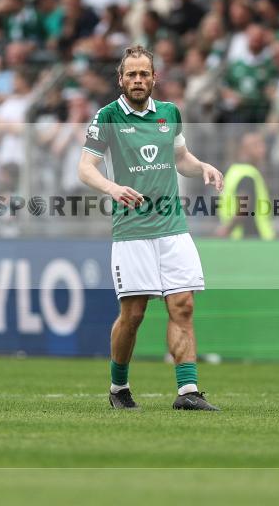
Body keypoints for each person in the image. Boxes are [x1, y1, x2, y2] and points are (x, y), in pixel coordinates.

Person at [77, 45, 224, 411]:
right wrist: (112, 188)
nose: (138, 80)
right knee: (134, 315)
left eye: (144, 74)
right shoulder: (107, 116)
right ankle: (118, 387)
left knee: (183, 305)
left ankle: (187, 391)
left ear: (154, 78)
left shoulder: (170, 113)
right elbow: (86, 167)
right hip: (132, 231)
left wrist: (202, 166)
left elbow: (180, 158)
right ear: (121, 79)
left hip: (173, 227)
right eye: (132, 74)